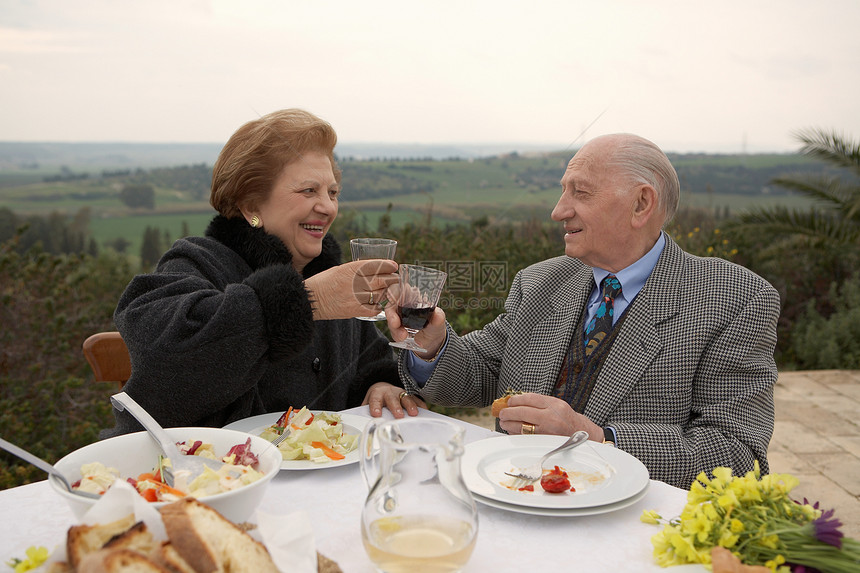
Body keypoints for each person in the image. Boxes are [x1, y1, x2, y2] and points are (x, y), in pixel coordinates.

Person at [384, 133, 780, 489]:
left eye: (581, 193)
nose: (558, 210)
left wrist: (597, 439)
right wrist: (431, 348)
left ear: (641, 204)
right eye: (563, 192)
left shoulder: (737, 299)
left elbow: (736, 454)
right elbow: (481, 372)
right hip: (513, 503)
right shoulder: (540, 281)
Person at [102, 109, 422, 438]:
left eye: (333, 192)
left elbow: (368, 359)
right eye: (309, 191)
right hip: (208, 479)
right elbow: (163, 356)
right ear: (251, 206)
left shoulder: (327, 275)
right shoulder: (197, 262)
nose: (327, 206)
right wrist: (310, 301)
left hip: (321, 482)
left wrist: (381, 382)